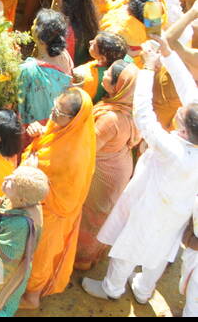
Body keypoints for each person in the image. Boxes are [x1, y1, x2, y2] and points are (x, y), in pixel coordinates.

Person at [84, 40, 198, 304]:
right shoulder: (190, 137)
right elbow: (188, 89)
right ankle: (144, 291)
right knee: (160, 254)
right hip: (177, 212)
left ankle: (112, 289)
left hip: (150, 207)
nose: (180, 109)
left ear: (183, 130)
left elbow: (144, 116)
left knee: (128, 248)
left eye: (180, 114)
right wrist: (168, 56)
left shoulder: (172, 148)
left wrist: (148, 70)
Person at [21, 88, 97, 309]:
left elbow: (62, 193)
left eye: (59, 113)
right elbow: (51, 142)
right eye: (54, 107)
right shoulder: (67, 130)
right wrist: (41, 132)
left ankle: (32, 297)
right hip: (39, 206)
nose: (53, 114)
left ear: (75, 119)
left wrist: (34, 169)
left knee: (40, 257)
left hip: (53, 213)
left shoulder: (76, 155)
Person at [76, 60, 142, 271]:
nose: (103, 74)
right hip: (118, 165)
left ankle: (81, 260)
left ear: (117, 87)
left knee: (91, 217)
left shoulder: (111, 119)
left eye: (108, 74)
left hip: (105, 174)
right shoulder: (131, 108)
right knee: (101, 215)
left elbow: (88, 148)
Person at [0, 168, 51, 316]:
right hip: (11, 266)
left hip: (4, 280)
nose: (6, 178)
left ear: (22, 199)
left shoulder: (20, 225)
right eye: (12, 176)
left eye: (12, 183)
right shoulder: (21, 201)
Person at [17, 10, 75, 126]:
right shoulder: (64, 54)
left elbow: (17, 98)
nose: (32, 27)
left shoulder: (29, 69)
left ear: (41, 39)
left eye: (34, 24)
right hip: (54, 122)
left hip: (34, 127)